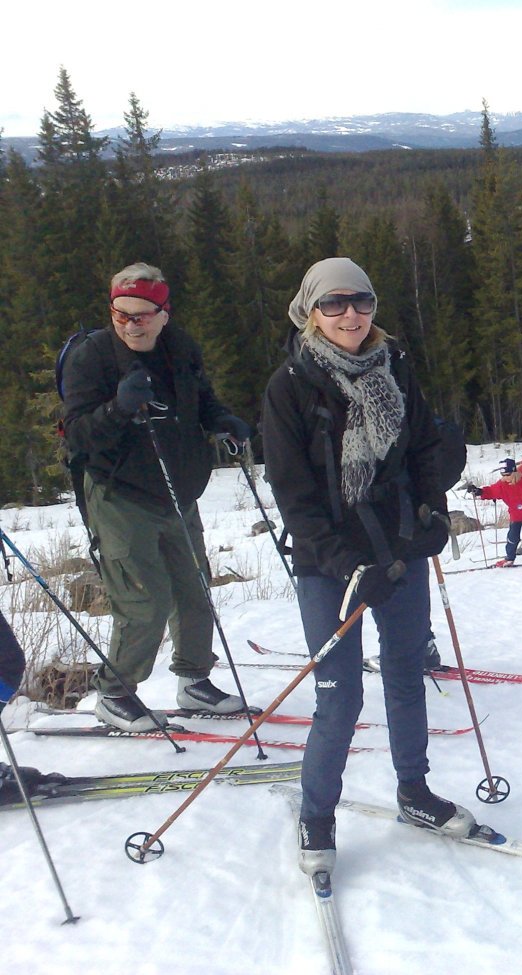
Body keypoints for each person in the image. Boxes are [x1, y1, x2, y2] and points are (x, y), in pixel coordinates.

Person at [262, 257, 474, 875]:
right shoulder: (292, 385)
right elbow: (293, 493)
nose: (350, 313)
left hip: (398, 552)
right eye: (335, 303)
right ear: (311, 311)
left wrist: (433, 508)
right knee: (340, 697)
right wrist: (347, 560)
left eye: (361, 301)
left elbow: (422, 450)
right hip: (330, 564)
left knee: (407, 675)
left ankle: (414, 792)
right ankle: (317, 817)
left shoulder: (397, 368)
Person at [61, 263, 251, 731]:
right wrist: (118, 408)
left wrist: (222, 421)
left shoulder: (180, 347)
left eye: (143, 314)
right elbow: (78, 438)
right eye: (121, 314)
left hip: (177, 493)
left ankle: (193, 680)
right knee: (144, 600)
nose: (130, 324)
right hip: (120, 495)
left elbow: (202, 399)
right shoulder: (93, 359)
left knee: (194, 590)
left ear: (164, 313)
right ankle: (115, 692)